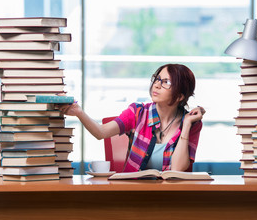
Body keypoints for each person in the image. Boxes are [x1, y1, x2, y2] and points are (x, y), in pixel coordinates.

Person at [58, 63, 206, 172]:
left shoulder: (192, 124)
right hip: (134, 195)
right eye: (157, 79)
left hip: (171, 197)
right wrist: (78, 111)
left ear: (180, 96)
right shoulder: (137, 112)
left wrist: (186, 125)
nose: (157, 85)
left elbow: (178, 170)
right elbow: (100, 132)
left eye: (166, 82)